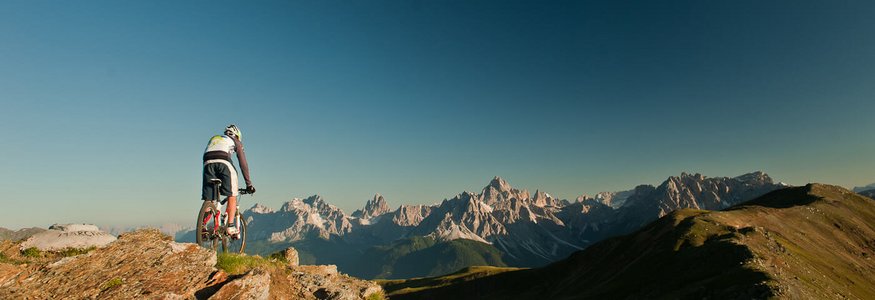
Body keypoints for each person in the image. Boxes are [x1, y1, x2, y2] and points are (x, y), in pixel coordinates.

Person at [202, 124, 255, 237]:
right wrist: (249, 184)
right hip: (223, 161)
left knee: (210, 199)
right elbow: (243, 163)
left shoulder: (215, 138)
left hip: (207, 162)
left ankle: (202, 227)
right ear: (237, 135)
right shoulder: (236, 141)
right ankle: (230, 226)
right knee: (232, 194)